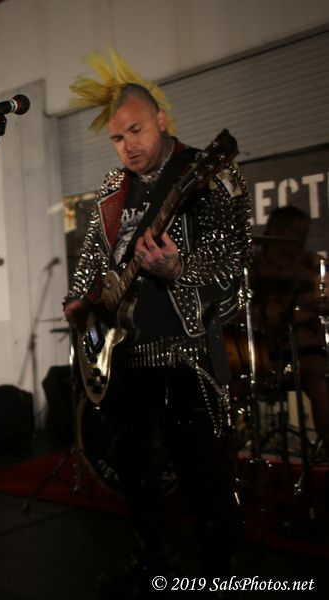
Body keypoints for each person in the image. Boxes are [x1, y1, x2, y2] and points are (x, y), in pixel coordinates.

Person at [63, 50, 251, 596]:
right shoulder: (113, 189)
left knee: (201, 476)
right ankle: (153, 561)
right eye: (117, 138)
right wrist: (79, 302)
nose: (128, 145)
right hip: (123, 354)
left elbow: (236, 264)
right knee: (134, 469)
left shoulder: (208, 175)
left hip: (186, 352)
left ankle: (222, 576)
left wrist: (179, 270)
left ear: (162, 119)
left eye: (136, 130)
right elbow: (92, 260)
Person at [250, 205, 329, 455]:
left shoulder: (313, 264)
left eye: (305, 232)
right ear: (275, 231)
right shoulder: (251, 266)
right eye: (296, 232)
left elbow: (318, 304)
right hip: (259, 346)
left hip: (304, 345)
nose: (302, 238)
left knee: (317, 378)